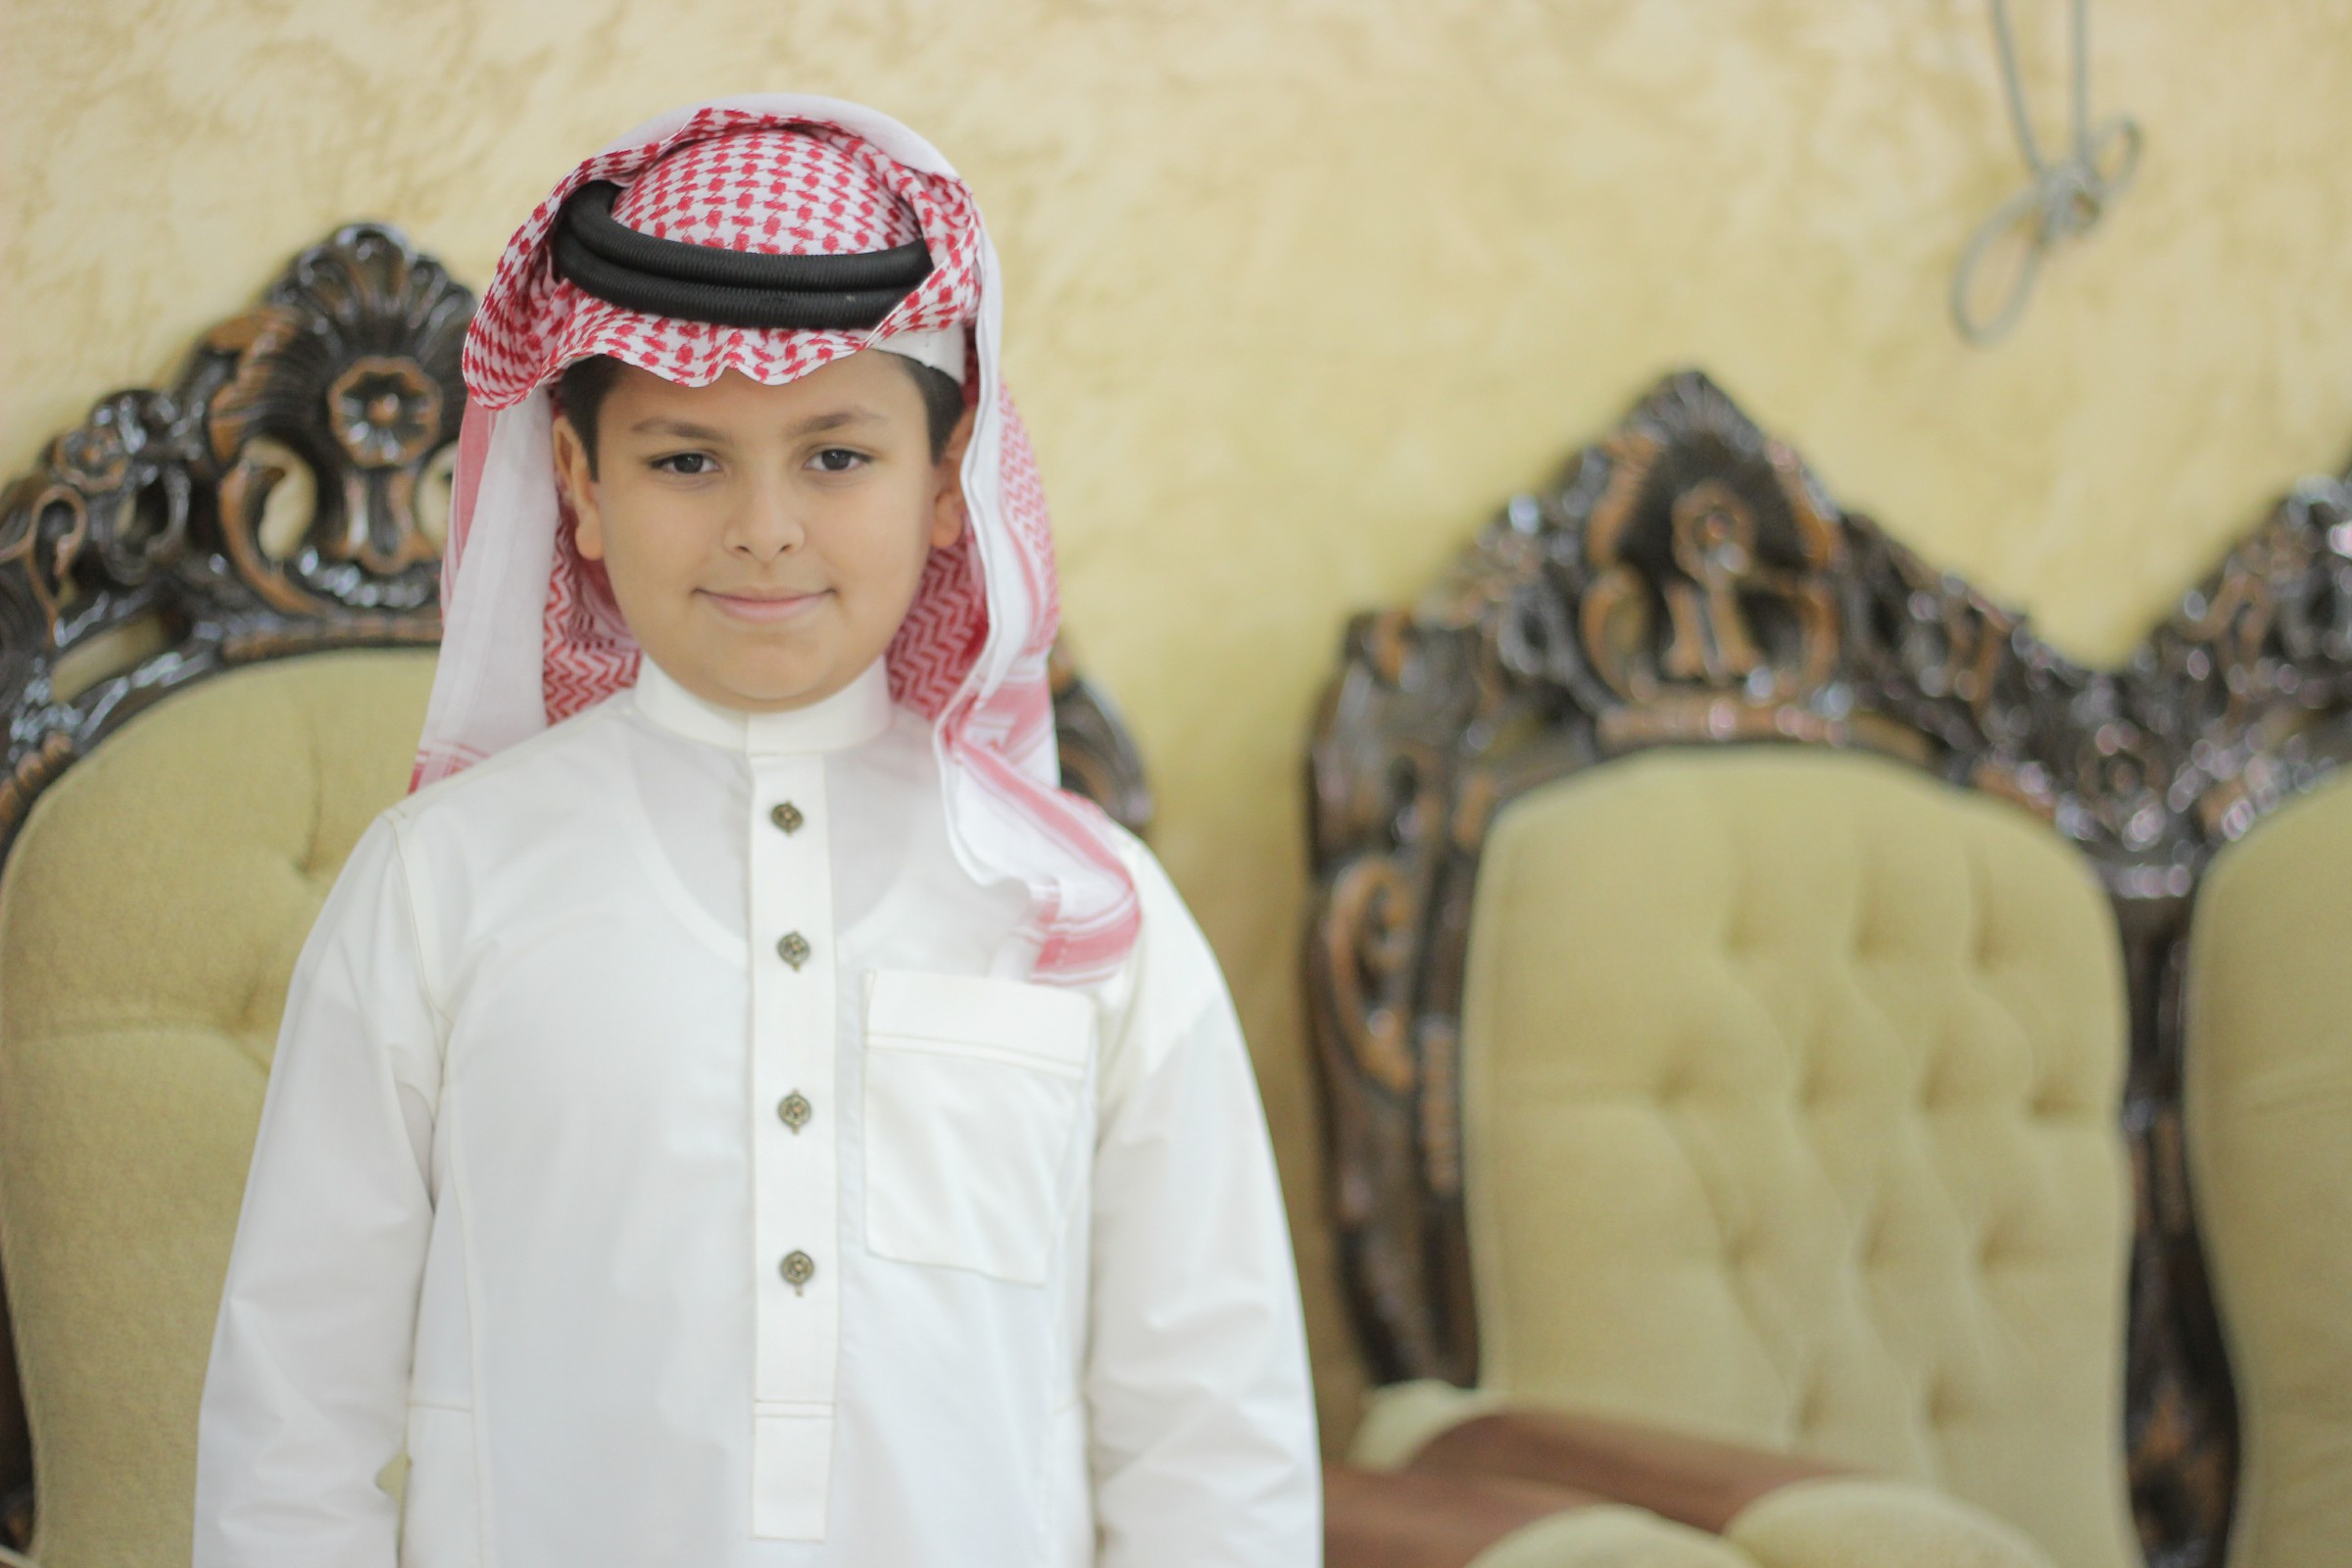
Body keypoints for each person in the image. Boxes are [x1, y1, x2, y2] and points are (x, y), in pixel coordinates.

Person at [191, 95, 1319, 1567]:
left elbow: (1211, 1444)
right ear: (581, 487)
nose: (765, 527)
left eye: (836, 457)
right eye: (686, 460)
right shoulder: (440, 885)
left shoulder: (1083, 913)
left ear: (947, 483)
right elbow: (295, 1422)